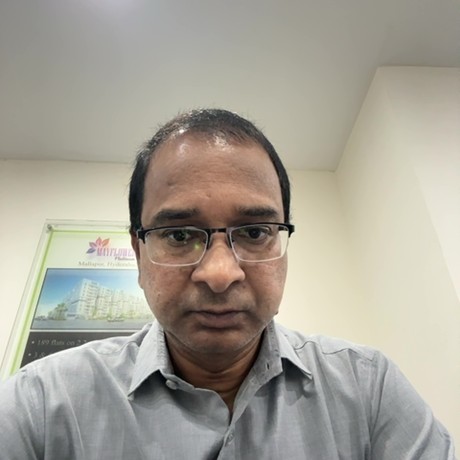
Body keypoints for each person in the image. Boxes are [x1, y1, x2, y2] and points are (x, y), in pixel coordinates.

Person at [0, 109, 456, 459]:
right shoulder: (40, 405)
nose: (220, 274)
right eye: (180, 235)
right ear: (139, 254)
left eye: (255, 232)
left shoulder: (369, 388)